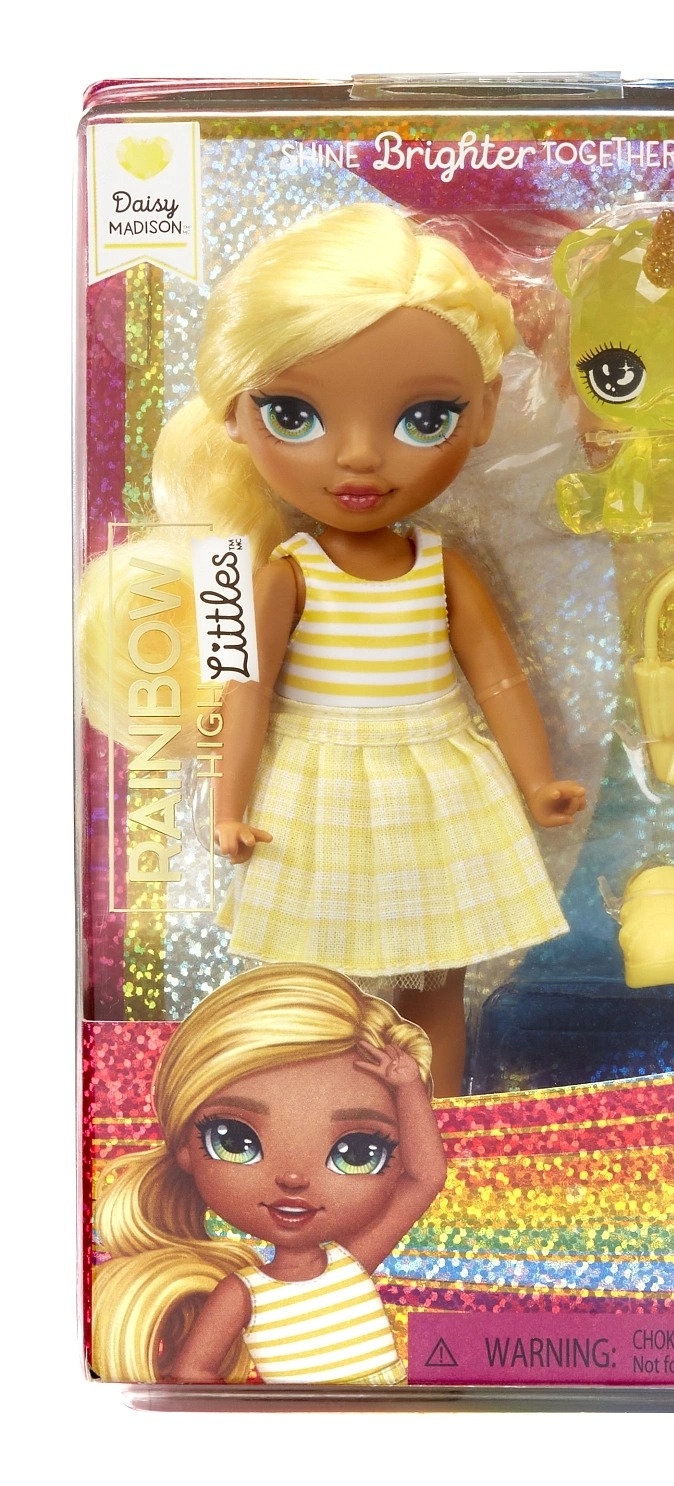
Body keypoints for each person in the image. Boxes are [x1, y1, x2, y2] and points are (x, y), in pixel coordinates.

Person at [80, 204, 584, 1094]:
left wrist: (538, 779)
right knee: (319, 988)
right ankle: (329, 1127)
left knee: (435, 976)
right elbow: (246, 693)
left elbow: (498, 679)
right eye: (293, 414)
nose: (357, 457)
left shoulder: (442, 565)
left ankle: (434, 1120)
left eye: (423, 417)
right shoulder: (283, 574)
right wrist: (228, 806)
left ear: (483, 411)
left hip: (436, 781)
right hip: (315, 788)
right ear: (233, 415)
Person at [91, 964, 447, 1385]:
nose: (293, 1179)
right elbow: (192, 1371)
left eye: (356, 1153)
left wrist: (408, 1087)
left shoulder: (349, 1261)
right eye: (235, 1141)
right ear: (184, 1146)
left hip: (386, 1409)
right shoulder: (244, 1293)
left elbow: (425, 1178)